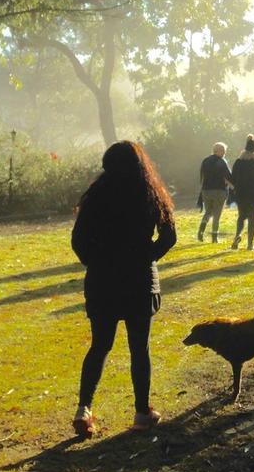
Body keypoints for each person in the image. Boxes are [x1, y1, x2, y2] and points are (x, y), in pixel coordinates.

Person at [71, 140, 176, 437]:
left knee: (100, 346)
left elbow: (78, 240)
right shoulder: (149, 193)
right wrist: (146, 257)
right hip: (139, 279)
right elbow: (169, 236)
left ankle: (84, 408)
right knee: (138, 349)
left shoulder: (95, 196)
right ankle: (142, 412)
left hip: (102, 280)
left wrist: (97, 261)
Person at [197, 142, 233, 243]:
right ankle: (214, 237)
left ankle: (201, 230)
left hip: (206, 190)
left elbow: (202, 176)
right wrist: (235, 185)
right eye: (224, 152)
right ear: (219, 151)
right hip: (219, 190)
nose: (224, 154)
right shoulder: (222, 161)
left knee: (208, 212)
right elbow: (228, 176)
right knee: (217, 214)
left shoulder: (205, 161)